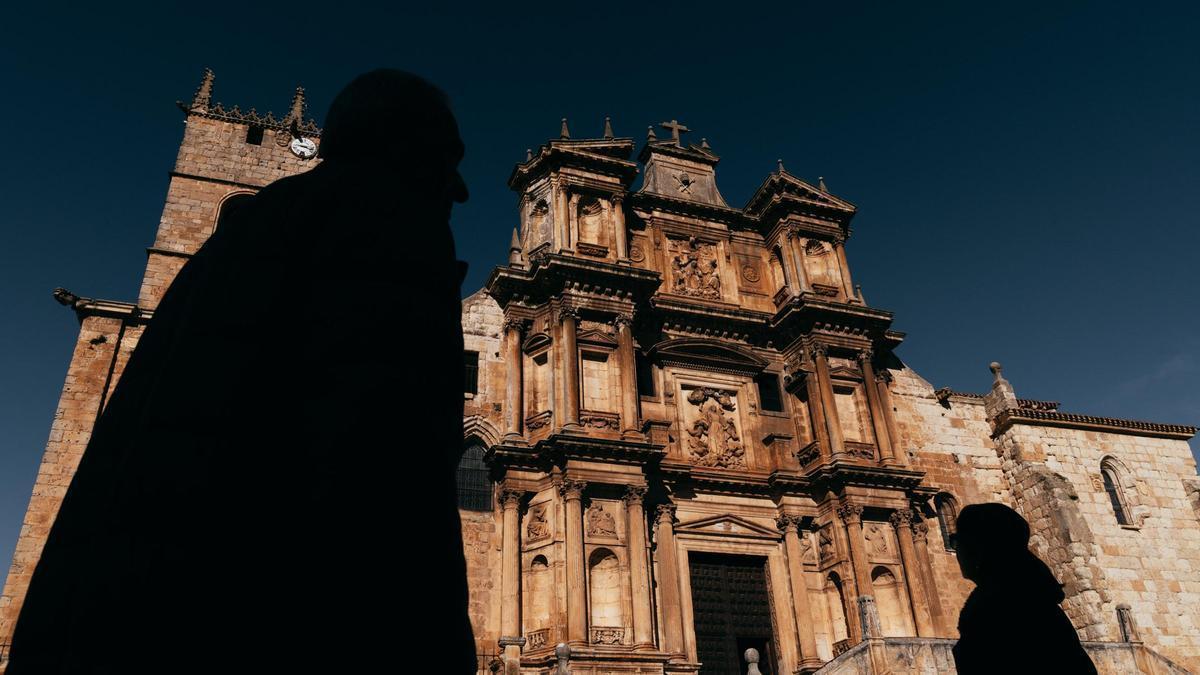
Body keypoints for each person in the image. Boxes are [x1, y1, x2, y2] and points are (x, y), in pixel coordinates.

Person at [7, 70, 476, 674]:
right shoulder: (383, 234)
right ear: (400, 145)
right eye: (446, 155)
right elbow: (382, 476)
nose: (459, 190)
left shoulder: (237, 245)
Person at [952, 503, 1096, 674]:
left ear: (980, 547)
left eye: (957, 539)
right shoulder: (1034, 598)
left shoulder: (1003, 612)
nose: (957, 548)